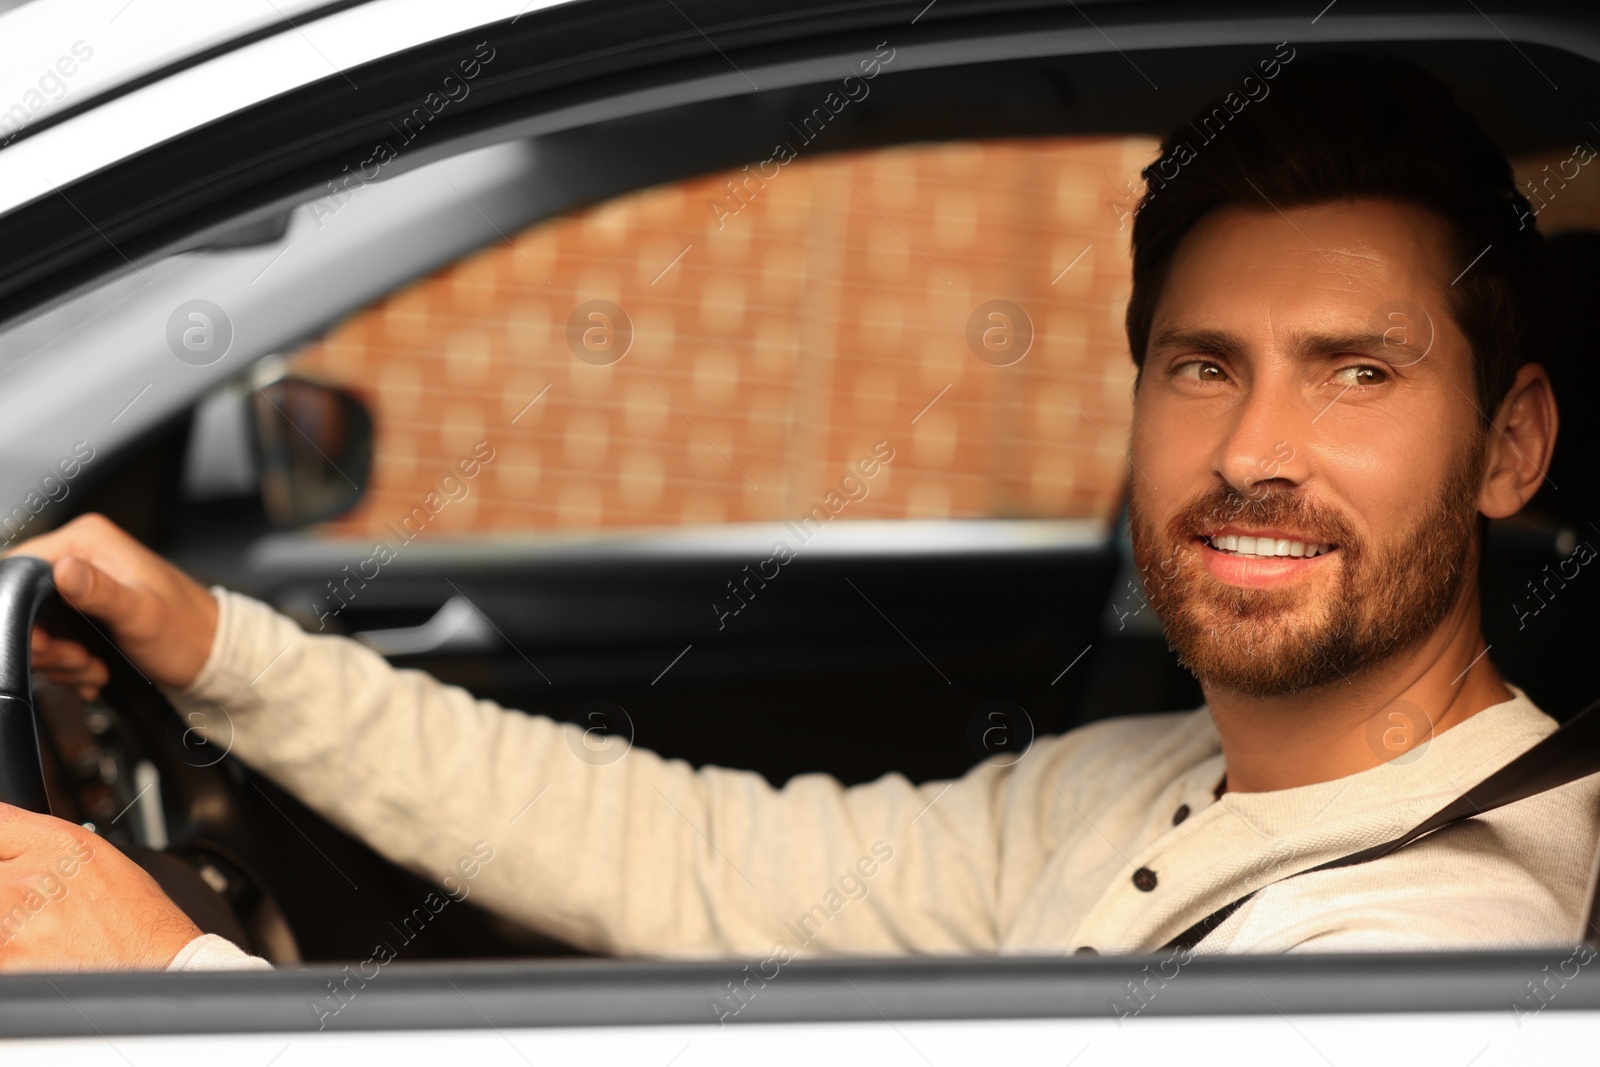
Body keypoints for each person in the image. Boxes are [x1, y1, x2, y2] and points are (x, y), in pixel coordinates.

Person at [1, 52, 1591, 972]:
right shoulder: (1141, 788)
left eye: (1358, 372)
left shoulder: (1433, 942)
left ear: (1510, 447)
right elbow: (687, 853)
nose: (1255, 445)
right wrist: (215, 651)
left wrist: (178, 992)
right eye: (1200, 365)